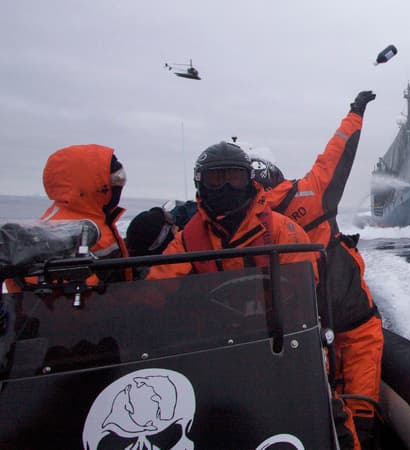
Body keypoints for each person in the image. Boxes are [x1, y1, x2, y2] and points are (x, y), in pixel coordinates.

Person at [146, 142, 361, 449]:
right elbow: (156, 293)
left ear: (249, 180)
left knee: (333, 420)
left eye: (233, 178)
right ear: (200, 182)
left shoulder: (284, 234)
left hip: (279, 353)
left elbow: (306, 294)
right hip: (213, 359)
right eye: (215, 180)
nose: (225, 188)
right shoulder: (186, 242)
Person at [251, 91, 383, 448]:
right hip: (343, 300)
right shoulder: (310, 192)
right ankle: (363, 426)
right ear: (276, 174)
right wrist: (355, 113)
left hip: (282, 317)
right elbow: (338, 152)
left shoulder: (240, 222)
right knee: (360, 344)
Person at [5, 144, 132, 291]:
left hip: (115, 306)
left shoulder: (97, 219)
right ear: (92, 184)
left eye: (120, 179)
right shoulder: (59, 232)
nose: (119, 185)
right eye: (115, 180)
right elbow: (46, 300)